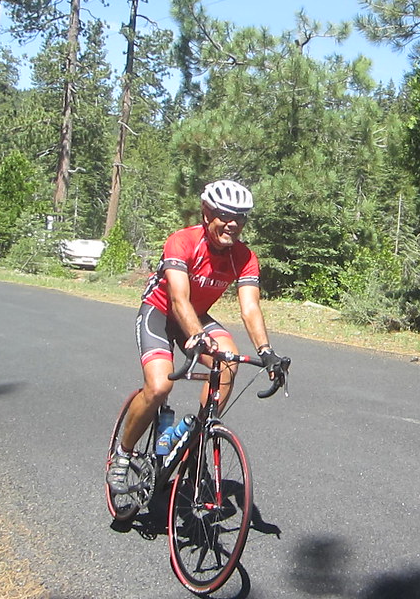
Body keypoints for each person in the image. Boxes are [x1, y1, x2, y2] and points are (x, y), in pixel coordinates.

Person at [106, 179, 287, 494]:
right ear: (207, 213)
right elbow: (178, 299)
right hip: (160, 312)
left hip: (197, 316)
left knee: (228, 362)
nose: (232, 224)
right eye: (225, 215)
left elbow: (250, 308)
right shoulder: (183, 241)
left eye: (240, 217)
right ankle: (124, 453)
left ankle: (197, 438)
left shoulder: (244, 257)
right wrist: (197, 335)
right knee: (159, 386)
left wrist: (266, 351)